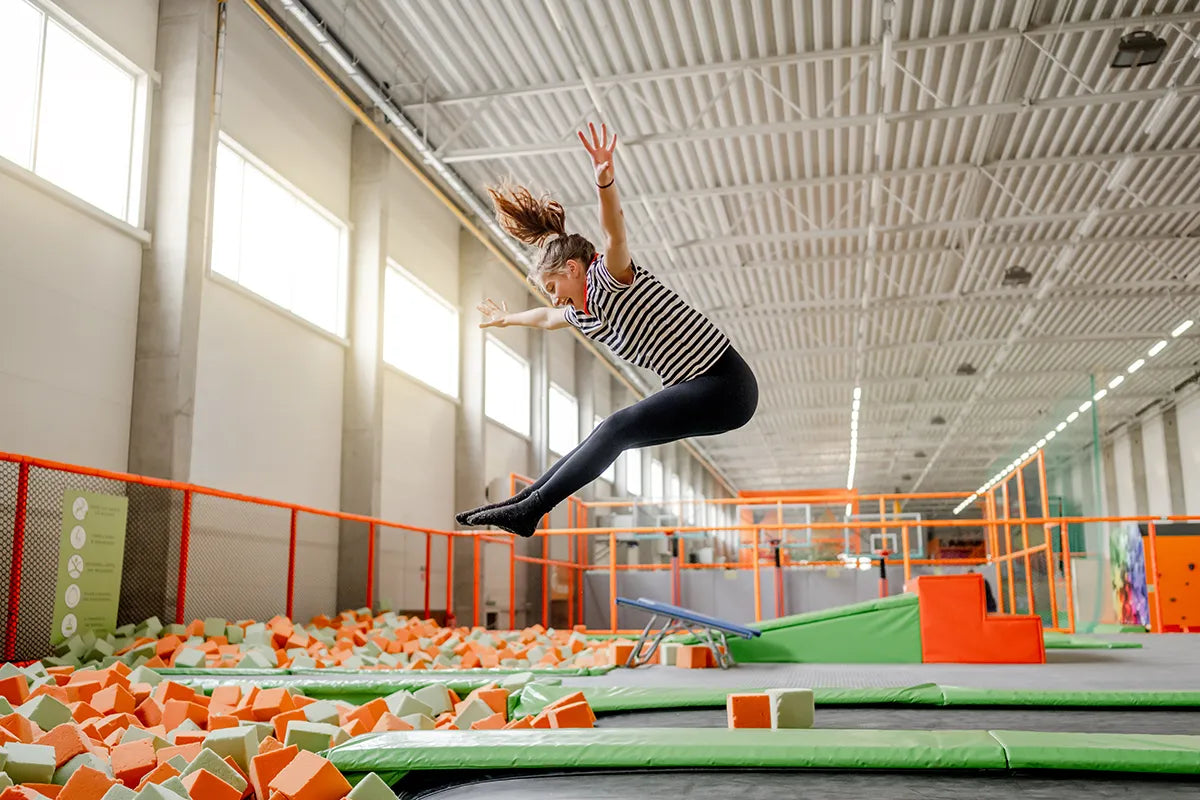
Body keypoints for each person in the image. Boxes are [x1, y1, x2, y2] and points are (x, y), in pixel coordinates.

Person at [455, 123, 758, 538]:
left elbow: (615, 230)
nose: (555, 298)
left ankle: (532, 508)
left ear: (574, 269)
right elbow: (545, 319)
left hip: (726, 384)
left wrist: (604, 179)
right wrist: (507, 319)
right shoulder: (584, 313)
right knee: (608, 433)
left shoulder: (609, 276)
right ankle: (522, 504)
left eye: (554, 287)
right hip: (702, 389)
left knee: (617, 427)